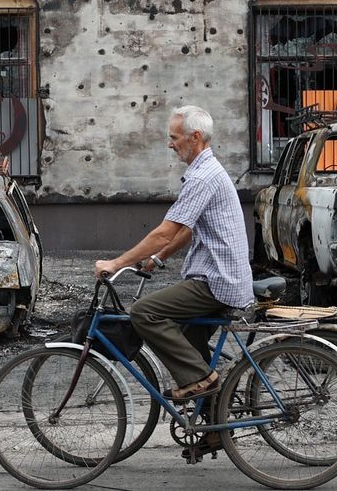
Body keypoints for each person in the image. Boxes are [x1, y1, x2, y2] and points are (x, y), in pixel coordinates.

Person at [93, 105, 252, 401]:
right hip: (224, 277)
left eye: (174, 137)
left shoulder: (201, 177)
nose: (170, 144)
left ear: (194, 137)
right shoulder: (208, 170)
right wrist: (159, 257)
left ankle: (201, 380)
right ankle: (211, 426)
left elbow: (165, 232)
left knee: (144, 312)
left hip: (217, 281)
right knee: (189, 339)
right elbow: (188, 229)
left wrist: (116, 263)